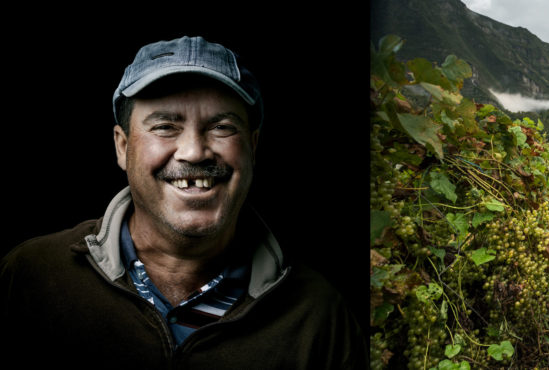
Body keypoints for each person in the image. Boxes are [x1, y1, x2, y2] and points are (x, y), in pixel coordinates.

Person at [0, 36, 363, 369]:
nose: (193, 151)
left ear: (252, 147)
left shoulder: (318, 315)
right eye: (165, 126)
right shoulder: (32, 277)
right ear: (122, 146)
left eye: (222, 127)